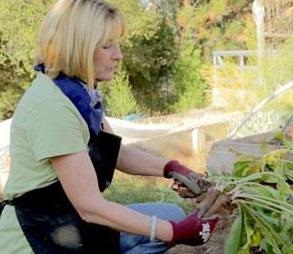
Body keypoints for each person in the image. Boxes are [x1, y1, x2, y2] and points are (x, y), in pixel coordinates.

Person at [0, 0, 221, 253]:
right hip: (42, 235)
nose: (119, 55)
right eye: (107, 46)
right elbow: (90, 206)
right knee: (165, 227)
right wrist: (174, 232)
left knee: (170, 212)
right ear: (78, 47)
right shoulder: (52, 108)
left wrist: (172, 168)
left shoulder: (78, 92)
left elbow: (117, 153)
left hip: (72, 222)